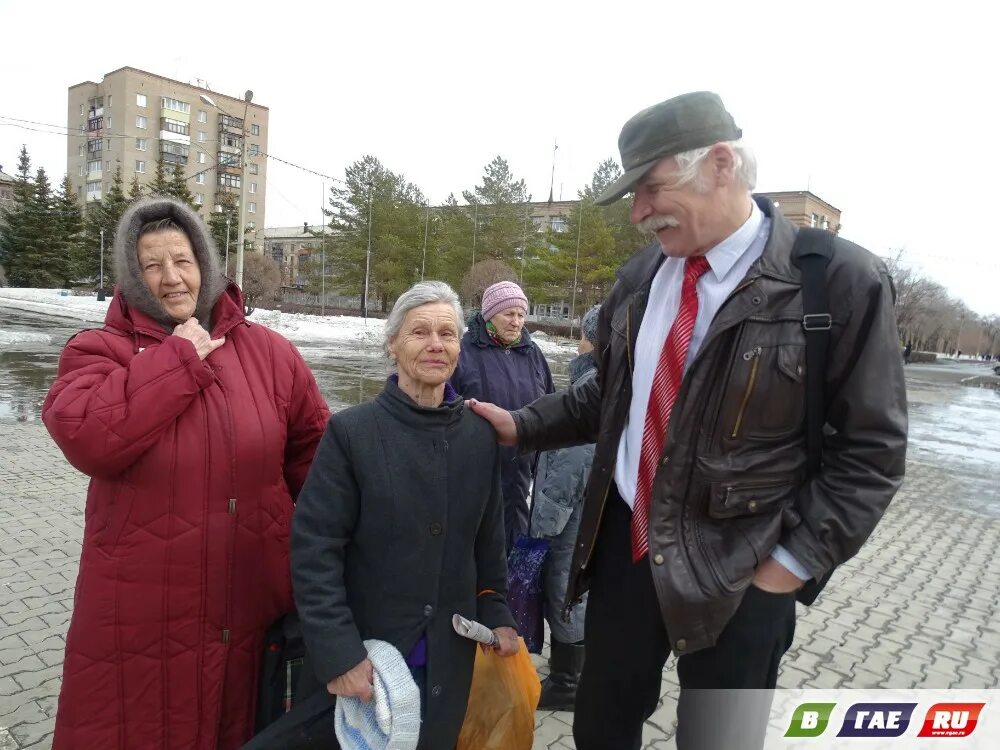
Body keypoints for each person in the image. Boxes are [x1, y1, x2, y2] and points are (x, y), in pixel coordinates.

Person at [469, 92, 908, 749]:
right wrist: (520, 424)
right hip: (626, 550)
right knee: (599, 730)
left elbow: (871, 453)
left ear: (722, 164)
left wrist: (787, 568)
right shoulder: (643, 276)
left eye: (651, 187)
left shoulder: (834, 282)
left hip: (744, 564)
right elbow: (610, 398)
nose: (640, 213)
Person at [41, 196, 330, 749]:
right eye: (152, 265)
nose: (171, 278)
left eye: (183, 260)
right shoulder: (98, 351)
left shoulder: (270, 353)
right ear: (133, 277)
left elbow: (317, 463)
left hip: (251, 606)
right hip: (141, 616)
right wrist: (178, 359)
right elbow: (88, 437)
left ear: (206, 265)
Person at [291, 281, 520, 750]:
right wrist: (339, 654)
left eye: (448, 333)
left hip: (448, 657)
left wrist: (496, 611)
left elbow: (489, 540)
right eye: (419, 332)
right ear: (392, 344)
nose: (436, 344)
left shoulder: (478, 437)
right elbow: (315, 550)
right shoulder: (352, 433)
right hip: (370, 663)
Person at [531, 304, 601, 711]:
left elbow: (573, 463)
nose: (578, 342)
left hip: (570, 522)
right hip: (587, 515)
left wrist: (543, 525)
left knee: (565, 591)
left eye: (583, 334)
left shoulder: (590, 387)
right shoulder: (602, 381)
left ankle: (567, 683)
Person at [451, 280, 555, 550]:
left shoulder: (533, 354)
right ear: (489, 315)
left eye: (521, 315)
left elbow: (551, 405)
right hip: (475, 470)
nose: (516, 322)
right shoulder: (464, 352)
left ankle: (510, 590)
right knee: (476, 542)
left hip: (522, 471)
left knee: (515, 537)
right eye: (509, 314)